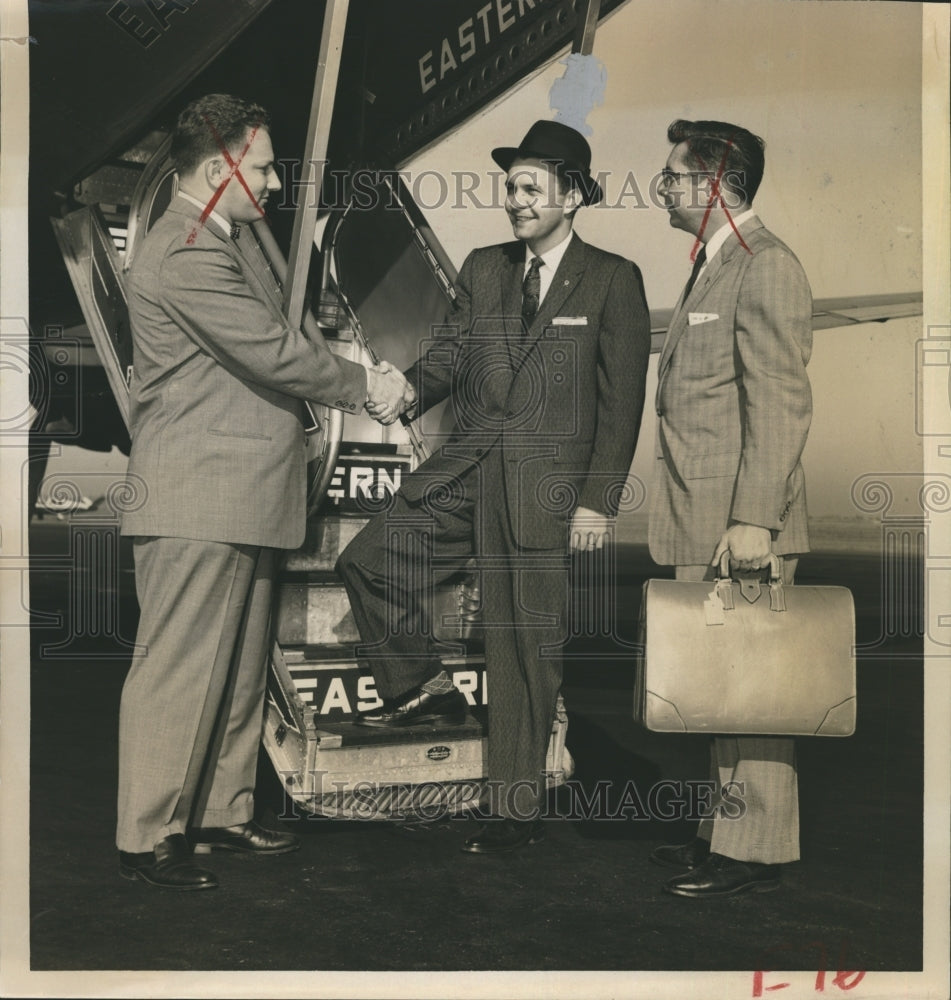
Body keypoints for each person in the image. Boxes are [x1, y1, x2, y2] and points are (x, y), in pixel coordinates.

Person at [116, 94, 410, 890]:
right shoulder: (182, 250)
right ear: (217, 171)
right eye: (263, 166)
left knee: (240, 668)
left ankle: (218, 810)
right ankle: (148, 833)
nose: (275, 183)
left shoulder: (229, 238)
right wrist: (367, 388)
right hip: (198, 490)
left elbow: (288, 332)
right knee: (179, 667)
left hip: (242, 486)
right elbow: (274, 352)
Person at [336, 120, 652, 853]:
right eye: (509, 186)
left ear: (570, 194)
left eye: (530, 186)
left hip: (545, 494)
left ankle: (512, 812)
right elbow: (446, 356)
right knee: (369, 559)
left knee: (522, 649)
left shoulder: (611, 280)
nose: (514, 198)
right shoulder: (482, 268)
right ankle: (416, 682)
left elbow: (621, 401)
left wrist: (596, 501)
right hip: (466, 471)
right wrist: (404, 394)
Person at [648, 119, 813, 897]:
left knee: (752, 688)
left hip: (738, 522)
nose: (664, 190)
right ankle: (722, 832)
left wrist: (755, 520)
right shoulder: (717, 265)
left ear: (717, 185)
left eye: (676, 179)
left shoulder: (765, 265)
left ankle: (752, 852)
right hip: (706, 514)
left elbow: (778, 400)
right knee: (721, 683)